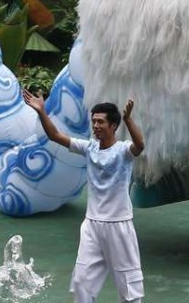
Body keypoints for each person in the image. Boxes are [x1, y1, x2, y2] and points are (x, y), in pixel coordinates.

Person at [23, 91, 145, 303]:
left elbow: (139, 146)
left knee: (128, 285)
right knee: (81, 282)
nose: (96, 125)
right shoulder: (89, 147)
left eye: (100, 122)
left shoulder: (123, 151)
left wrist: (129, 120)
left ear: (113, 126)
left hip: (119, 224)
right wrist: (42, 112)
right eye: (94, 121)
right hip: (92, 225)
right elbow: (55, 136)